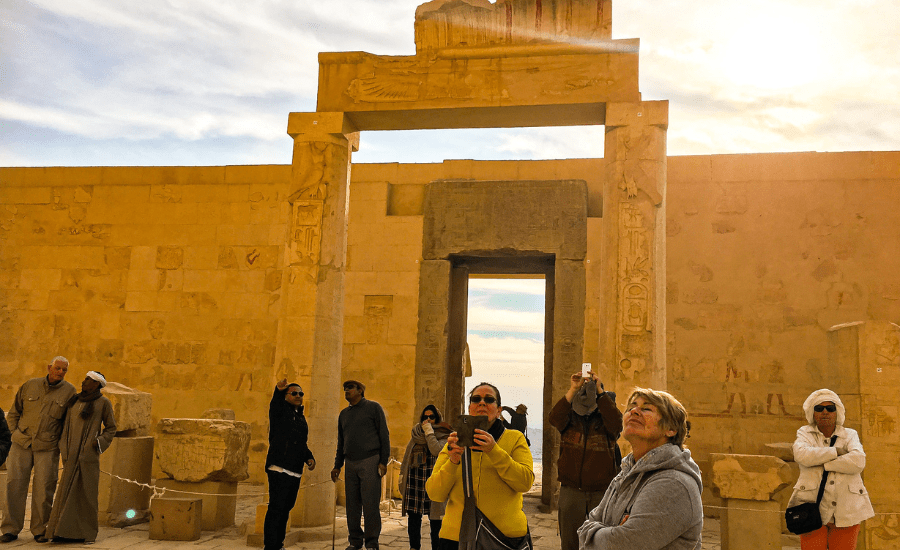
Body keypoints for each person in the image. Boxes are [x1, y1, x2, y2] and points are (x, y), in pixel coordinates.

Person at [578, 387, 702, 550]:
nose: (634, 411)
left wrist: (601, 533)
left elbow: (623, 545)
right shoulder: (627, 472)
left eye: (646, 409)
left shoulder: (673, 483)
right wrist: (611, 532)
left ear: (671, 429)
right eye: (631, 407)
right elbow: (584, 529)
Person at [425, 383, 534, 550]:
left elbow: (525, 482)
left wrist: (493, 450)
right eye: (476, 399)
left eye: (489, 399)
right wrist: (452, 461)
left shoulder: (515, 438)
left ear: (499, 410)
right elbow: (435, 494)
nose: (482, 403)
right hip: (456, 537)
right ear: (470, 408)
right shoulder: (454, 442)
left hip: (503, 537)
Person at [1, 356, 77, 544]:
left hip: (48, 447)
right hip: (22, 443)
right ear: (49, 367)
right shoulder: (30, 385)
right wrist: (14, 434)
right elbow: (14, 412)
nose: (60, 372)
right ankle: (10, 529)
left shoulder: (69, 391)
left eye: (64, 370)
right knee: (14, 486)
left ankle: (40, 529)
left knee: (45, 489)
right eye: (58, 368)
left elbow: (68, 423)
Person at [788, 389, 874, 549]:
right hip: (812, 508)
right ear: (813, 413)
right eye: (819, 408)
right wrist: (836, 452)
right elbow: (801, 455)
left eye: (830, 408)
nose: (825, 412)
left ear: (837, 412)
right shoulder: (805, 433)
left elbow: (858, 461)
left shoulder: (850, 435)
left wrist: (823, 462)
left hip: (847, 509)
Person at [549, 370, 623, 550]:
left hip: (601, 492)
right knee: (570, 542)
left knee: (600, 543)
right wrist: (573, 389)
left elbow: (617, 423)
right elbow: (554, 417)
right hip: (571, 490)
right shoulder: (570, 420)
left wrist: (600, 392)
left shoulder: (607, 420)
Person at [46, 371, 117, 544]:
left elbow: (111, 428)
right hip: (70, 454)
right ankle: (61, 532)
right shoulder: (74, 401)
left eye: (88, 380)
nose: (84, 382)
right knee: (65, 493)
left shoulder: (103, 403)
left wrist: (98, 442)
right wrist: (65, 447)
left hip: (88, 456)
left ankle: (87, 534)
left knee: (87, 494)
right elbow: (65, 426)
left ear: (96, 384)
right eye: (85, 378)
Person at [331, 380, 390, 550]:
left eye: (349, 388)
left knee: (370, 504)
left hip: (370, 460)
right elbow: (341, 442)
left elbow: (383, 435)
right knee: (352, 505)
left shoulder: (373, 408)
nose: (346, 391)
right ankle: (355, 541)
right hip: (350, 462)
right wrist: (337, 465)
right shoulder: (343, 414)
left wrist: (383, 461)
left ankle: (372, 542)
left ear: (360, 390)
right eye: (345, 389)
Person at [263, 379, 316, 550]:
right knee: (276, 508)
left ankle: (279, 544)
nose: (298, 396)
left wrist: (309, 457)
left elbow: (301, 443)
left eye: (301, 393)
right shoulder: (279, 411)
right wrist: (278, 390)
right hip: (278, 467)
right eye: (294, 393)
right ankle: (270, 546)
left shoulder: (300, 417)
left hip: (294, 470)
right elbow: (275, 404)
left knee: (286, 509)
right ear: (286, 396)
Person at [400, 405, 452, 550]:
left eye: (431, 417)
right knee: (414, 519)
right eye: (425, 417)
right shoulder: (416, 434)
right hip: (415, 481)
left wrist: (429, 431)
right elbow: (406, 458)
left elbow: (436, 450)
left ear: (437, 418)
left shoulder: (444, 434)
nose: (428, 420)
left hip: (433, 481)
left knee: (436, 521)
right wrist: (401, 479)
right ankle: (414, 547)